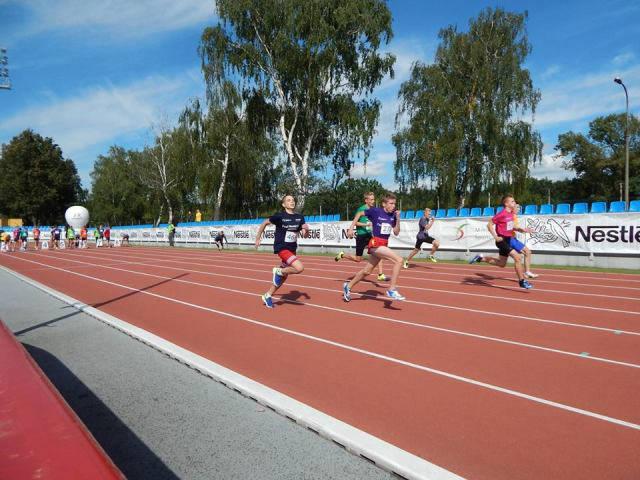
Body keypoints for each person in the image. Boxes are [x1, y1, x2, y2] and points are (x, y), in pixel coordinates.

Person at [343, 193, 406, 302]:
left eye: (394, 204)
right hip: (375, 244)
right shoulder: (376, 211)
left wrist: (398, 218)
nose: (393, 206)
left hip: (384, 244)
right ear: (384, 204)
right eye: (391, 203)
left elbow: (396, 232)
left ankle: (348, 286)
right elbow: (359, 214)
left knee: (367, 271)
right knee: (399, 260)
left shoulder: (393, 216)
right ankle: (391, 289)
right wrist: (350, 228)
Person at [468, 194, 534, 289]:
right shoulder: (501, 214)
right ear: (506, 204)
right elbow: (489, 225)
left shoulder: (511, 214)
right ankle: (522, 281)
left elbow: (511, 227)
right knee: (517, 257)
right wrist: (495, 237)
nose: (514, 203)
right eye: (512, 201)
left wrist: (521, 230)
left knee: (502, 264)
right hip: (501, 240)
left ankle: (480, 258)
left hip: (508, 240)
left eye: (514, 201)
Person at [255, 194, 309, 308]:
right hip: (282, 248)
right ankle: (278, 271)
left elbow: (304, 234)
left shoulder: (300, 217)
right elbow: (264, 223)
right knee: (300, 268)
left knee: (283, 278)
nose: (292, 202)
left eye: (293, 200)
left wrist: (306, 230)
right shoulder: (279, 216)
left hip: (292, 249)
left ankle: (268, 295)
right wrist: (258, 238)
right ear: (283, 204)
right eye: (289, 200)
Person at [335, 192, 389, 282]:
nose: (373, 201)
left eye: (374, 199)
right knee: (358, 259)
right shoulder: (361, 209)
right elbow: (355, 222)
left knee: (378, 252)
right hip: (361, 235)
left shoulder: (374, 210)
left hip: (370, 235)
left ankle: (380, 274)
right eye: (371, 199)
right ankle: (342, 255)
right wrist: (365, 224)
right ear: (366, 200)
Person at [512, 204, 538, 279]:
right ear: (512, 208)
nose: (519, 209)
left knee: (526, 253)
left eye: (519, 208)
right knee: (525, 253)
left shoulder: (514, 216)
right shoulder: (511, 216)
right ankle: (525, 274)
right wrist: (522, 230)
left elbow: (514, 227)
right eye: (517, 208)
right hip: (509, 239)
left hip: (513, 238)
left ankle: (526, 273)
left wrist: (521, 230)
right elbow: (512, 227)